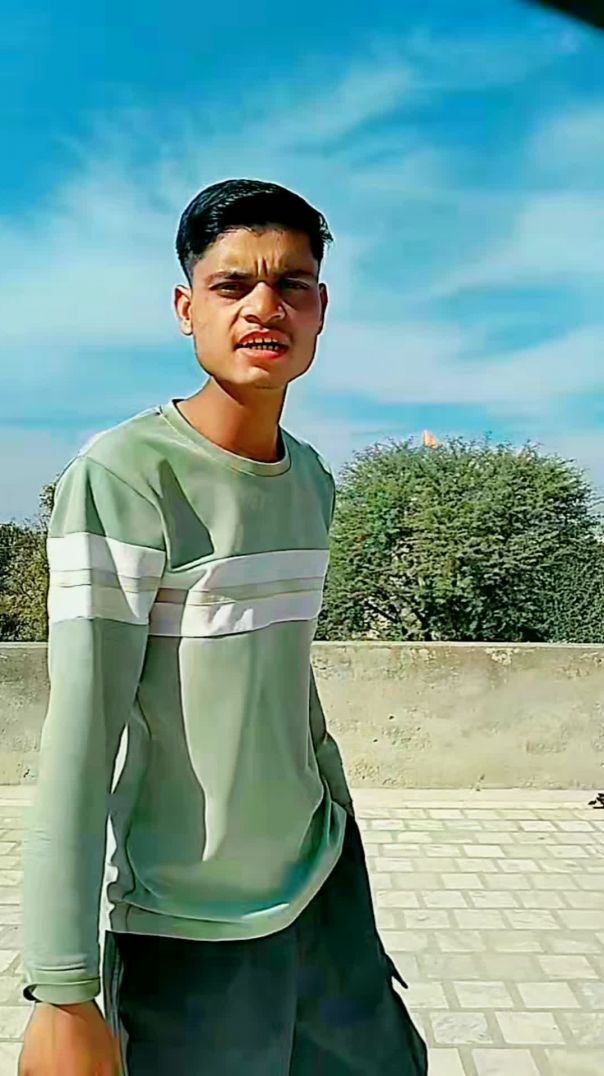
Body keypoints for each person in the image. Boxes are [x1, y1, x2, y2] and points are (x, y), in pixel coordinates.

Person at [19, 179, 428, 1075]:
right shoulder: (127, 477)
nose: (264, 307)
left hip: (326, 892)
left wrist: (337, 825)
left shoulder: (311, 479)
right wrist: (62, 987)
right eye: (232, 284)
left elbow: (287, 682)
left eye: (292, 284)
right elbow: (80, 738)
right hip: (191, 930)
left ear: (321, 309)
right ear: (186, 308)